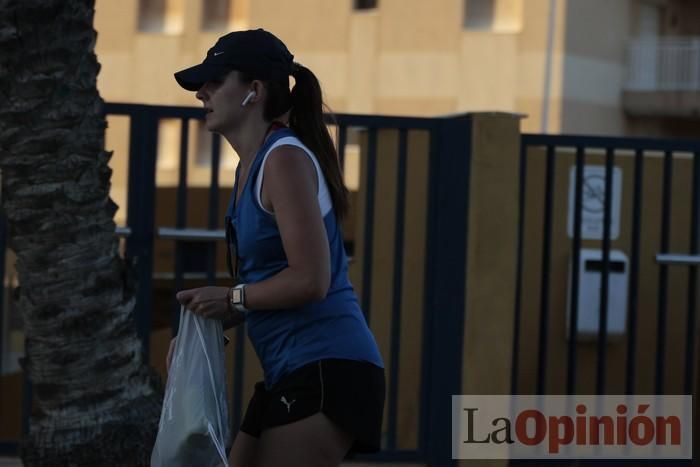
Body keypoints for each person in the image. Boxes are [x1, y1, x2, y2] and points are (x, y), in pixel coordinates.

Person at [167, 29, 385, 467]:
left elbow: (311, 279)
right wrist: (211, 322)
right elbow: (273, 284)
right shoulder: (253, 165)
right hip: (291, 371)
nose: (201, 94)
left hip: (328, 367)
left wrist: (231, 297)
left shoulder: (283, 159)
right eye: (200, 86)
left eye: (214, 81)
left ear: (254, 91)